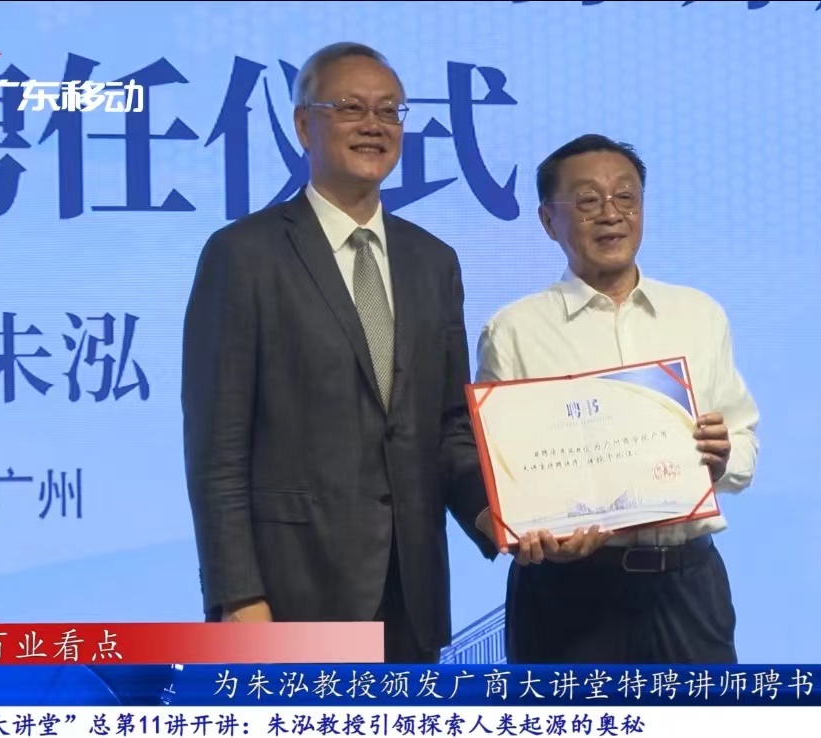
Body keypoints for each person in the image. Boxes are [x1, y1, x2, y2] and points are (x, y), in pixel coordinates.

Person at [180, 42, 496, 664]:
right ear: (304, 125)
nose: (374, 124)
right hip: (290, 593)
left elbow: (448, 428)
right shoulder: (243, 255)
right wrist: (235, 594)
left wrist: (497, 516)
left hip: (412, 594)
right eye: (350, 107)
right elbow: (217, 448)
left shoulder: (434, 262)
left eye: (389, 110)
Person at [475, 134, 761, 664]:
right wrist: (524, 529)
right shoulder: (513, 331)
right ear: (548, 220)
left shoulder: (698, 315)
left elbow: (743, 444)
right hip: (568, 594)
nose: (611, 214)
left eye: (625, 197)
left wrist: (722, 459)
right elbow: (502, 473)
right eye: (587, 200)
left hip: (687, 587)